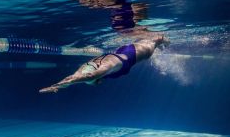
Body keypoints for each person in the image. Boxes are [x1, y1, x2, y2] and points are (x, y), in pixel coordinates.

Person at [39, 34, 170, 93]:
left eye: (97, 82)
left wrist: (59, 85)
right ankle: (151, 38)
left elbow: (88, 77)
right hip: (121, 52)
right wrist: (56, 86)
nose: (99, 83)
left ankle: (163, 39)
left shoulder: (103, 69)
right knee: (145, 42)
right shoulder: (85, 66)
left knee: (154, 42)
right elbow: (71, 79)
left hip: (133, 53)